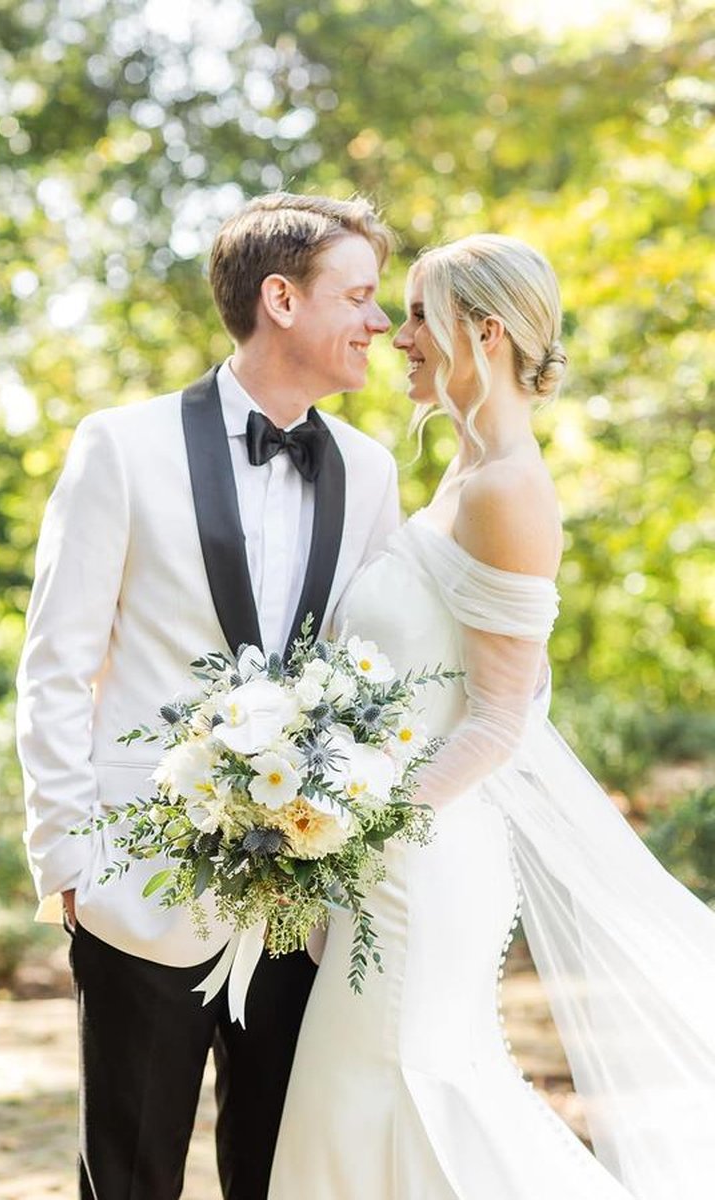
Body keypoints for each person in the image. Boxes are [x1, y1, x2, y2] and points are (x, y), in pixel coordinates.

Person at [269, 234, 715, 1199]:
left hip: (418, 867)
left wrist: (359, 832)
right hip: (387, 863)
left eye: (421, 314)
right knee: (370, 1117)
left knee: (390, 1108)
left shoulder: (510, 489)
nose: (399, 336)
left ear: (486, 329)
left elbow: (501, 719)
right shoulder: (461, 476)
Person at [15, 191, 400, 1200]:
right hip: (139, 891)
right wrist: (69, 857)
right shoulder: (121, 445)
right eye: (357, 297)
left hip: (304, 901)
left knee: (279, 1177)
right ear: (280, 298)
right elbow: (57, 660)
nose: (380, 324)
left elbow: (371, 667)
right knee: (134, 1177)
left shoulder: (368, 471)